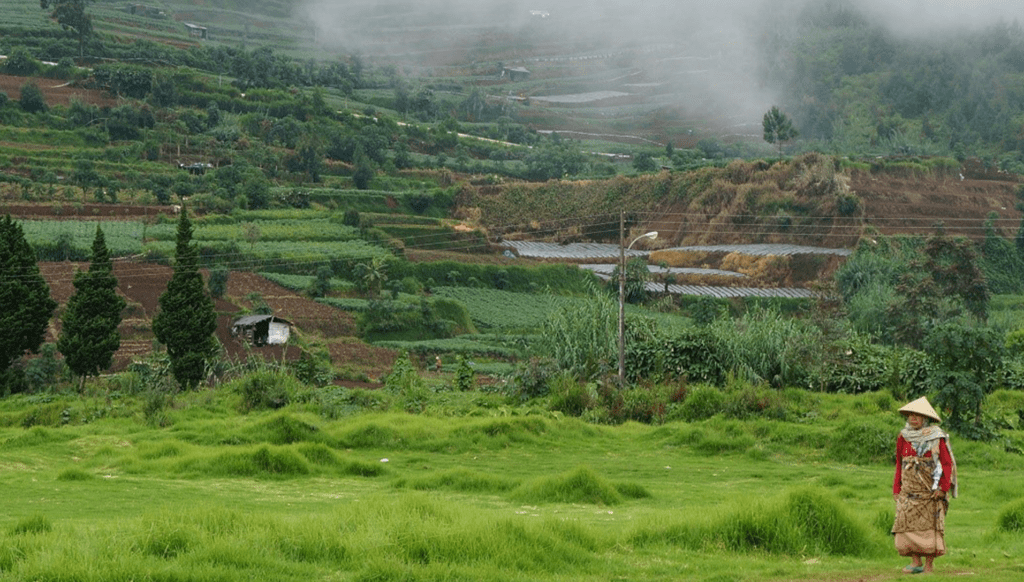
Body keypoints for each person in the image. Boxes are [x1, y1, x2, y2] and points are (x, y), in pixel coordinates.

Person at [892, 396, 958, 574]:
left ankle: (928, 566)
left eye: (917, 415)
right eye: (910, 415)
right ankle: (915, 562)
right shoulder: (903, 437)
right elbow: (899, 463)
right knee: (906, 524)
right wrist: (896, 487)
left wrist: (942, 487)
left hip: (930, 492)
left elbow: (945, 463)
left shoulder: (936, 437)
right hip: (908, 491)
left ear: (925, 418)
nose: (913, 418)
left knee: (930, 527)